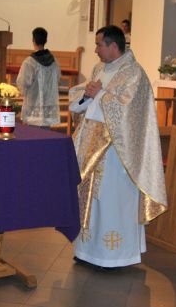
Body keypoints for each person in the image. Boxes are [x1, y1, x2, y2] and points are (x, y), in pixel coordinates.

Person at [68, 25, 167, 268]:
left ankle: (113, 256)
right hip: (91, 145)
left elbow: (130, 112)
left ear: (113, 46)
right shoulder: (99, 68)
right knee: (91, 199)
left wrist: (100, 94)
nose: (95, 50)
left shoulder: (134, 74)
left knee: (111, 201)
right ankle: (87, 251)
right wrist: (88, 95)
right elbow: (88, 99)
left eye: (99, 44)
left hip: (117, 152)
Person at [16, 26, 60, 127]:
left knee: (32, 132)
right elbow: (57, 79)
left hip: (33, 105)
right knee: (45, 132)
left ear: (33, 40)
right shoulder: (54, 61)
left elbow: (22, 82)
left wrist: (24, 92)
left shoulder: (29, 62)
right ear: (46, 40)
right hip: (48, 104)